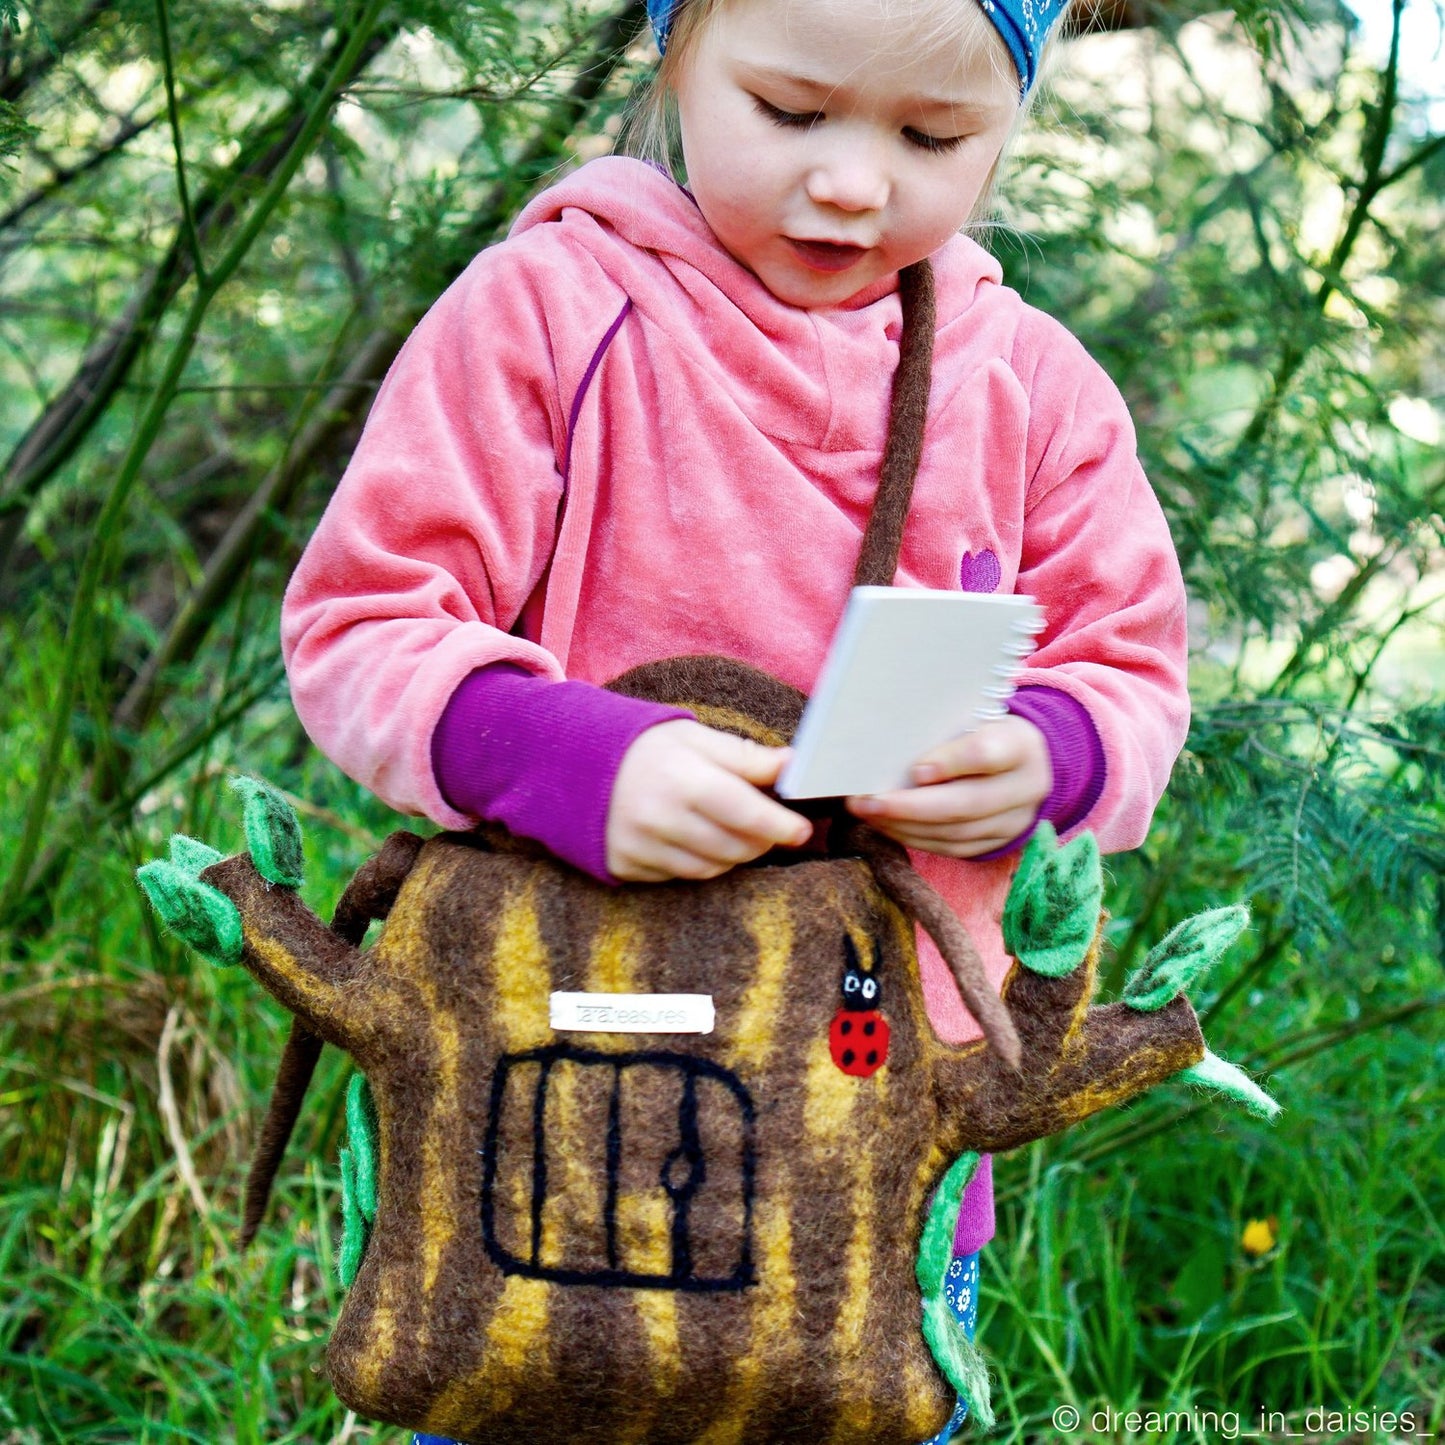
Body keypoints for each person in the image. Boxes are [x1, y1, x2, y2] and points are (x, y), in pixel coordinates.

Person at [281, 0, 1188, 1437]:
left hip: (883, 1113)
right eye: (789, 110)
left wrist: (1041, 758)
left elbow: (1131, 672)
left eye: (932, 135)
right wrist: (564, 757)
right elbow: (360, 623)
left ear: (1012, 117)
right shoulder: (549, 317)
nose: (850, 180)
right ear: (672, 58)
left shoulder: (1028, 392)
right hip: (557, 1074)